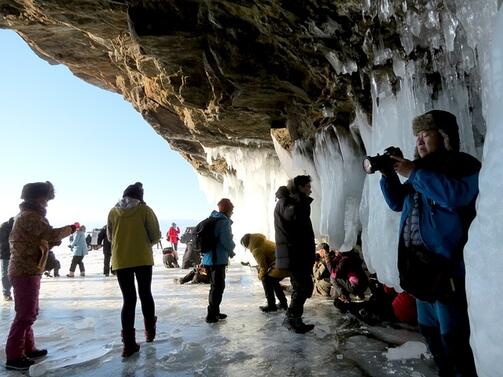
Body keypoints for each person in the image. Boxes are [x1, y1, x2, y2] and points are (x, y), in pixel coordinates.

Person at [380, 110, 480, 376]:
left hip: (447, 268)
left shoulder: (463, 165)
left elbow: (457, 196)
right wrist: (389, 175)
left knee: (454, 337)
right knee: (431, 333)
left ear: (444, 136)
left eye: (426, 134)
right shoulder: (420, 171)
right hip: (419, 267)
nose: (420, 141)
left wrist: (413, 172)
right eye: (417, 137)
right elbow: (396, 202)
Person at [5, 181, 76, 371]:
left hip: (29, 269)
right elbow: (49, 233)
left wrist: (51, 243)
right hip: (24, 271)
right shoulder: (30, 216)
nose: (47, 202)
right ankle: (13, 356)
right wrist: (72, 228)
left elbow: (38, 240)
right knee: (25, 315)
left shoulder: (28, 215)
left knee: (30, 312)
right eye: (45, 198)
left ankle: (28, 348)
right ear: (38, 197)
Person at [107, 182, 161, 357]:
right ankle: (150, 334)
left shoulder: (113, 212)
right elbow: (155, 235)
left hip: (120, 260)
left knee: (128, 300)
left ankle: (128, 345)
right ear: (140, 196)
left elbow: (109, 236)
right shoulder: (145, 210)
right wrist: (143, 242)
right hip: (142, 258)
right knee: (145, 294)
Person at [274, 177, 316, 334]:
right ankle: (292, 319)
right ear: (300, 187)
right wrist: (302, 200)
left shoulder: (289, 202)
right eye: (307, 187)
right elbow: (294, 218)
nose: (310, 190)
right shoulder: (289, 203)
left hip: (296, 253)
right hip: (295, 254)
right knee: (303, 287)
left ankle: (294, 318)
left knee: (303, 287)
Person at [202, 198, 235, 323]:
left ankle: (214, 311)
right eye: (232, 208)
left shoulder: (214, 218)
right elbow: (226, 241)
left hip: (209, 259)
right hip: (217, 259)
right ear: (227, 209)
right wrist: (232, 248)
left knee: (214, 287)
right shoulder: (223, 221)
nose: (233, 211)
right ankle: (211, 315)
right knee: (218, 287)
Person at [240, 233, 289, 312]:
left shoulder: (256, 249)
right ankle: (283, 303)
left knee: (265, 279)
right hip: (285, 263)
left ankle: (271, 305)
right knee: (273, 280)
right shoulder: (263, 241)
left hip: (281, 266)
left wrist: (260, 276)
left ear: (246, 244)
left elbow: (264, 267)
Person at [0, 217, 14, 301]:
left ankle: (7, 293)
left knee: (7, 274)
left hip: (14, 254)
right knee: (5, 274)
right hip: (6, 254)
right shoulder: (4, 227)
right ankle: (6, 293)